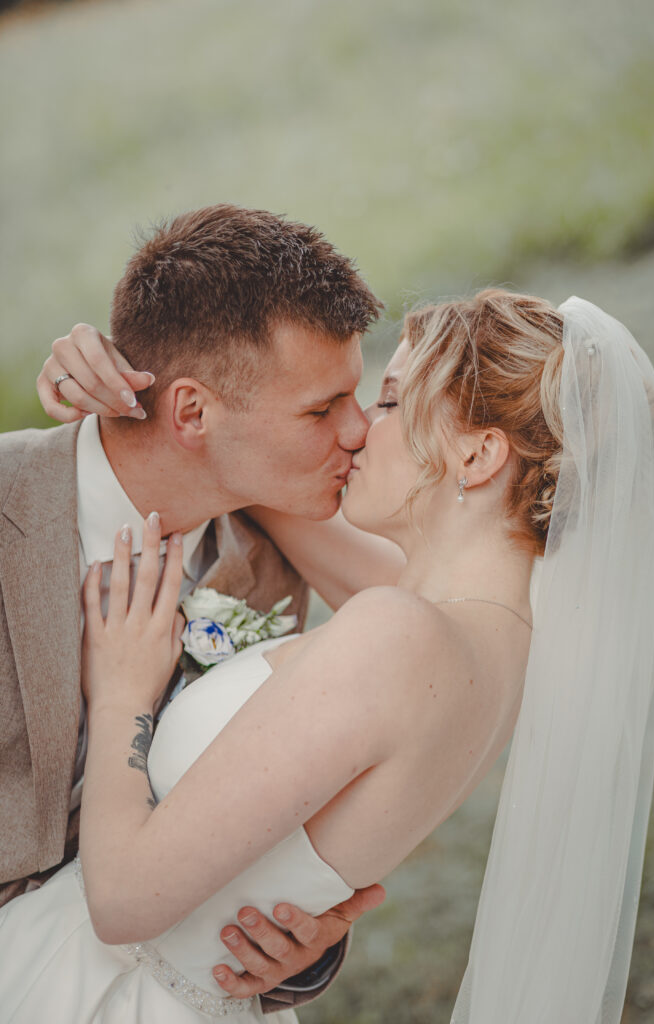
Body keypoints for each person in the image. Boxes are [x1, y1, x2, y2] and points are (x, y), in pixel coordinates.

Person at [2, 286, 654, 1023]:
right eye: (335, 407)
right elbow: (251, 480)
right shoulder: (503, 644)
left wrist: (126, 688)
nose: (357, 430)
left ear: (478, 455)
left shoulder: (398, 636)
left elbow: (126, 898)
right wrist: (144, 390)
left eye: (388, 402)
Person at [0, 204, 399, 1014]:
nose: (357, 432)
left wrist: (296, 950)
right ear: (189, 413)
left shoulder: (268, 561)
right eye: (320, 410)